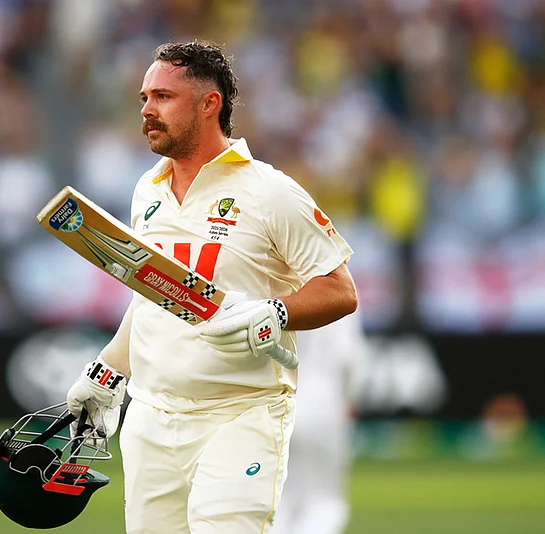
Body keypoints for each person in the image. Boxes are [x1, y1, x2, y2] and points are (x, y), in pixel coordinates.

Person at [66, 40, 358, 534]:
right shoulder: (148, 191)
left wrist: (274, 313)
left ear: (209, 104)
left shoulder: (268, 191)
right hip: (152, 419)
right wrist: (106, 373)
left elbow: (340, 290)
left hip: (240, 415)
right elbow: (154, 295)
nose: (147, 110)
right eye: (143, 98)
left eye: (162, 97)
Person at [271, 310, 370, 534]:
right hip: (324, 405)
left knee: (278, 499)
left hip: (277, 400)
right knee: (324, 501)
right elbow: (349, 355)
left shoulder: (274, 283)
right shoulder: (337, 286)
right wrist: (351, 394)